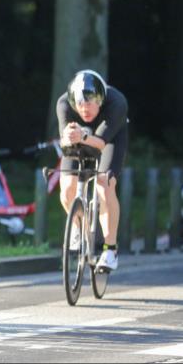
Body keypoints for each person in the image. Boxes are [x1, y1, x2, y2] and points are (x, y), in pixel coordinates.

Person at [56, 69, 129, 271]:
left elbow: (101, 143)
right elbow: (63, 141)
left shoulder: (116, 103)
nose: (84, 109)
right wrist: (67, 138)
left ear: (100, 100)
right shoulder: (64, 104)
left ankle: (110, 250)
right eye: (80, 104)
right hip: (79, 137)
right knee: (67, 188)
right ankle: (79, 228)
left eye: (89, 104)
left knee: (104, 184)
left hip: (110, 139)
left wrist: (83, 137)